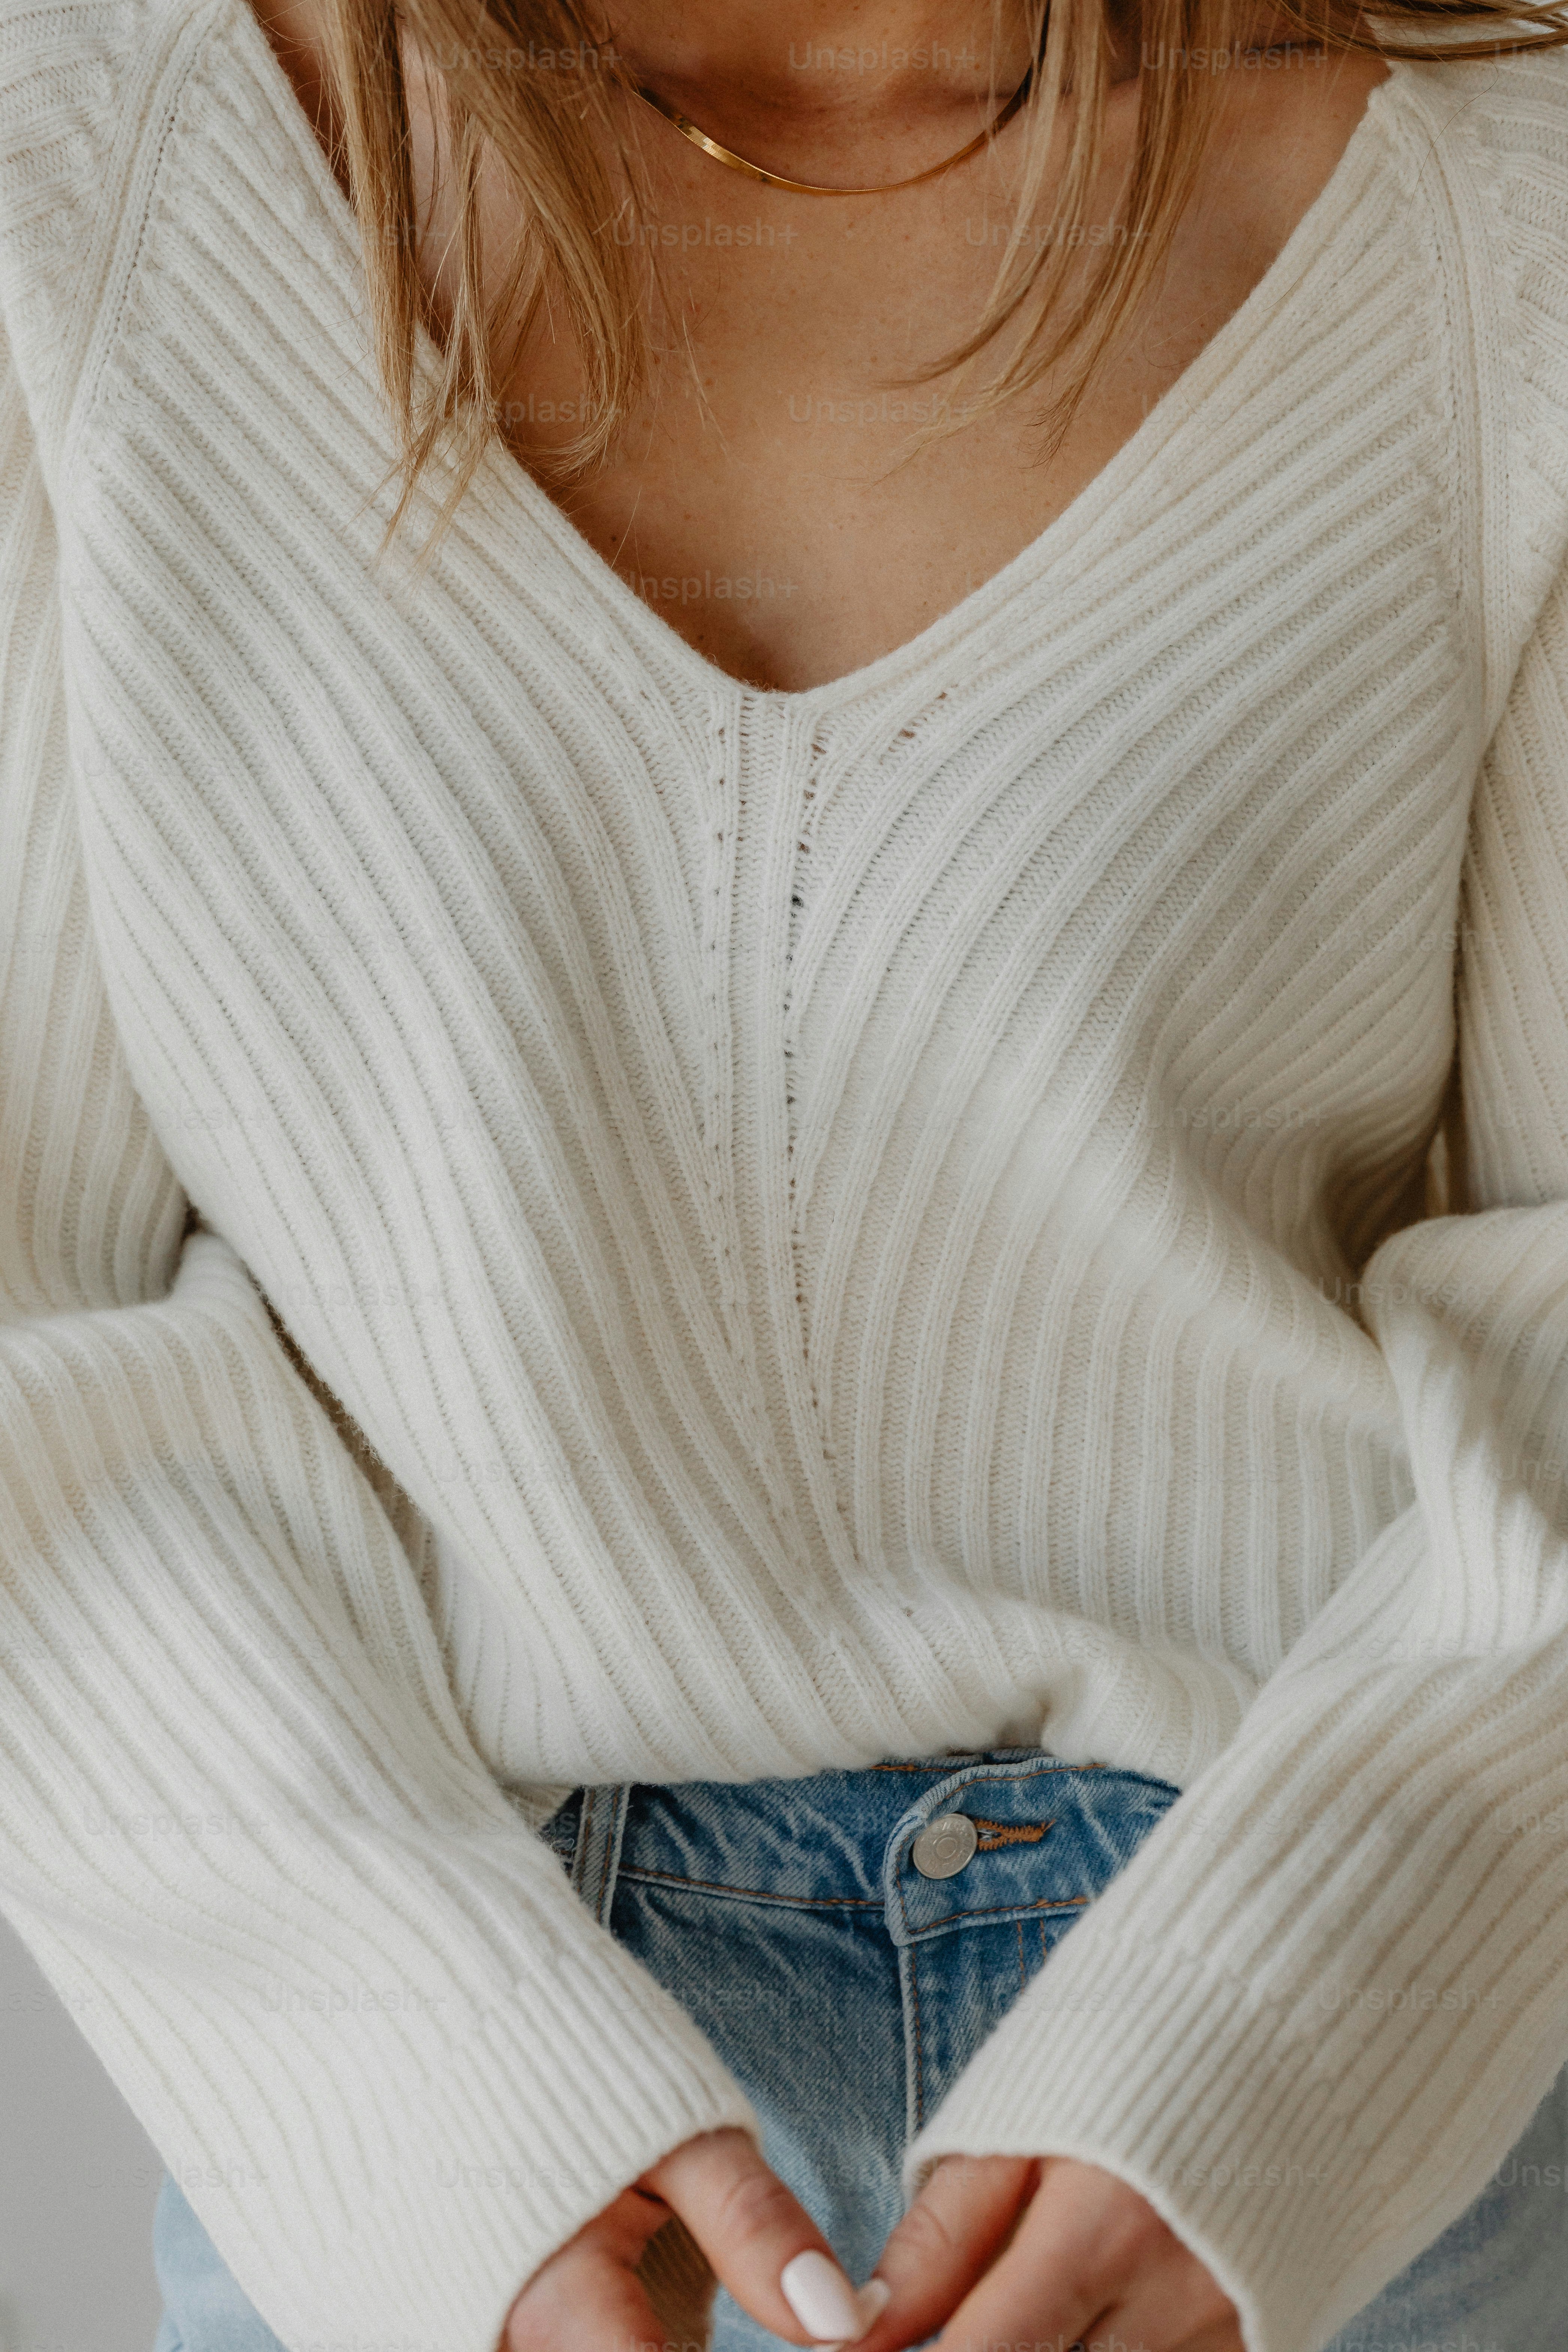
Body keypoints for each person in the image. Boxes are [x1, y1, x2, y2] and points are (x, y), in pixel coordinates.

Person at [2, 0, 1568, 2347]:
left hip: (1313, 2141)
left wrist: (1273, 2054)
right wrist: (430, 2100)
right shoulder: (82, 187)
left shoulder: (1498, 215)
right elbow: (37, 1327)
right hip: (449, 2154)